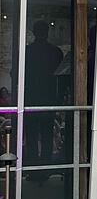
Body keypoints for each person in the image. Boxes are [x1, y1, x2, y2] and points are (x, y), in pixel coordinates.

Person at [25, 20, 63, 178]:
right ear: (47, 32)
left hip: (31, 98)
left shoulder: (27, 51)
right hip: (49, 98)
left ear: (34, 32)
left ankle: (34, 170)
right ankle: (45, 170)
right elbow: (62, 78)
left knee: (32, 136)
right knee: (47, 136)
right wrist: (60, 99)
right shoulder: (55, 52)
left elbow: (19, 75)